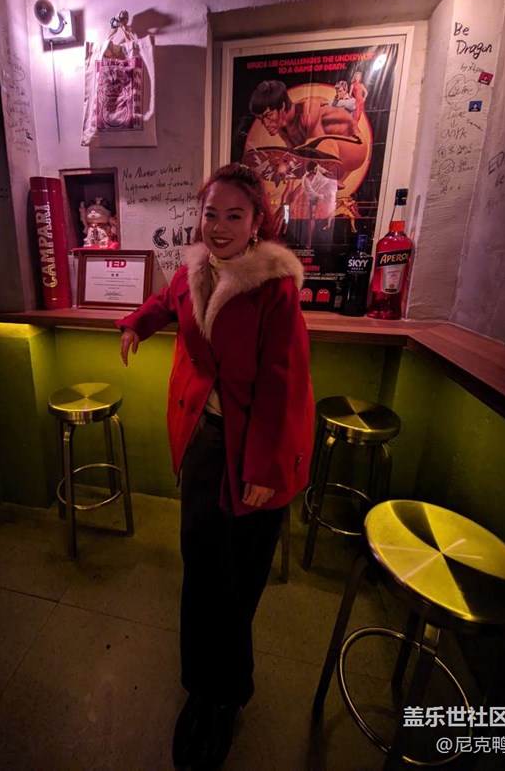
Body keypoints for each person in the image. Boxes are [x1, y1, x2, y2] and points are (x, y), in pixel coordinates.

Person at [117, 163, 314, 770]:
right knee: (203, 573)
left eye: (234, 215)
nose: (220, 226)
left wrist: (263, 469)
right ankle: (201, 688)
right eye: (211, 213)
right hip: (205, 444)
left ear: (257, 223)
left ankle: (226, 698)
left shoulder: (273, 287)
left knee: (237, 584)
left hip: (258, 453)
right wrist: (137, 322)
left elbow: (283, 385)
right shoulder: (195, 269)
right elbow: (167, 301)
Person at [249, 79, 366, 186]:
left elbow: (319, 156)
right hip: (334, 161)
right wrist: (288, 192)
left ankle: (330, 179)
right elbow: (296, 160)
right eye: (260, 119)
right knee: (298, 187)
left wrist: (285, 160)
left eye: (268, 115)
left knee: (317, 145)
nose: (265, 123)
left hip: (355, 147)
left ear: (282, 106)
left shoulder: (309, 109)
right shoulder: (282, 127)